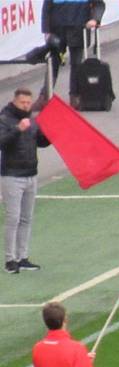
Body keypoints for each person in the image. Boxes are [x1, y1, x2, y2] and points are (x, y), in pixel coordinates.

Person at [0, 88, 50, 274]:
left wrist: (51, 133)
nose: (26, 106)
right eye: (23, 103)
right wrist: (17, 130)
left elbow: (40, 141)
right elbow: (1, 142)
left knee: (26, 218)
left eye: (29, 103)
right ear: (15, 101)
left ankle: (23, 257)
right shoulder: (5, 119)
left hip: (30, 173)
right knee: (13, 218)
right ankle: (9, 259)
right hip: (12, 174)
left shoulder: (32, 120)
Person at [39, 0, 105, 110]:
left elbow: (99, 4)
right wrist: (46, 30)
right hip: (57, 29)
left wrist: (95, 19)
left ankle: (75, 95)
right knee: (53, 63)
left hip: (78, 28)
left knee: (76, 64)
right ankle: (45, 96)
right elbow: (46, 7)